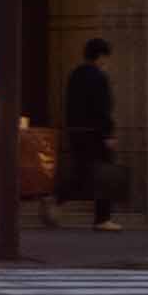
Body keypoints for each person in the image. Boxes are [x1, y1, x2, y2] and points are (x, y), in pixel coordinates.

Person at [62, 37, 121, 232]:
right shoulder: (99, 77)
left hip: (76, 131)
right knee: (105, 173)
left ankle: (57, 197)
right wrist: (109, 134)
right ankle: (103, 218)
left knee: (81, 172)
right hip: (96, 133)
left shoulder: (75, 75)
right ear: (101, 56)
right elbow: (102, 108)